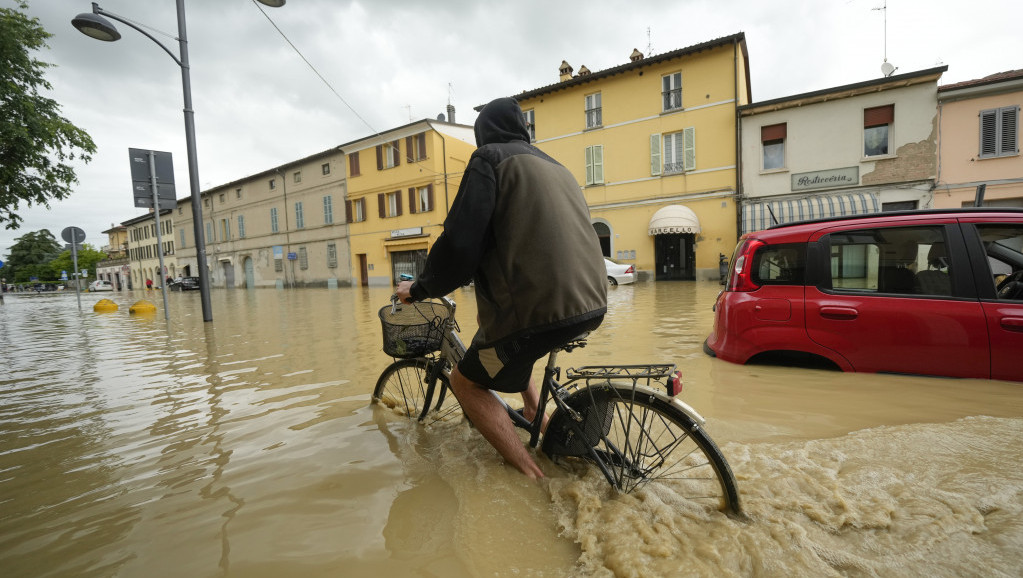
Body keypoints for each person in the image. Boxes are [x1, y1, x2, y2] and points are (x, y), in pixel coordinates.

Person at [397, 97, 607, 480]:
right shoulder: (556, 167)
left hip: (539, 310)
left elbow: (460, 242)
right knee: (506, 339)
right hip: (591, 300)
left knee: (465, 381)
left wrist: (421, 288)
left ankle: (532, 476)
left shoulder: (489, 159)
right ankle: (535, 413)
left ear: (483, 133)